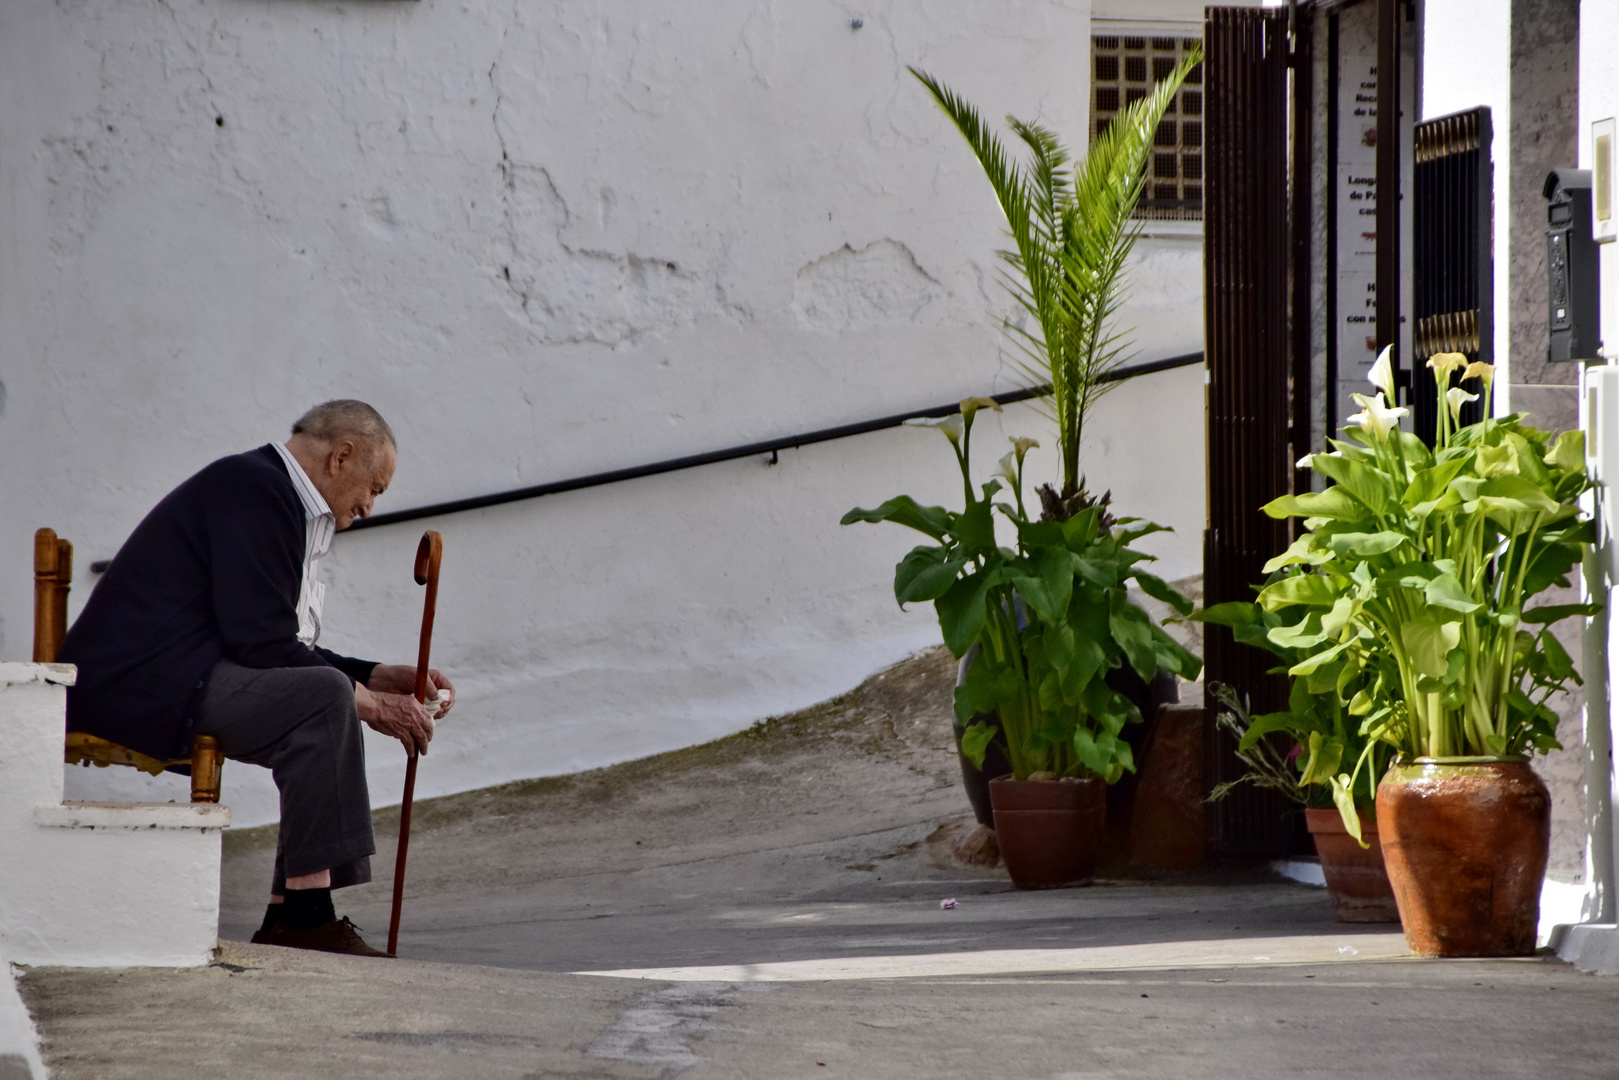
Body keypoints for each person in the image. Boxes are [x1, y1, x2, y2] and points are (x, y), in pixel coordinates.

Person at [59, 400, 453, 957]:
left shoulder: (267, 489)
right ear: (341, 456)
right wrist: (371, 703)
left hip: (178, 675)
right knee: (323, 698)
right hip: (140, 684)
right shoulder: (256, 488)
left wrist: (374, 676)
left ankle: (284, 915)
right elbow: (263, 643)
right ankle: (308, 918)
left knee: (325, 695)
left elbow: (275, 640)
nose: (369, 506)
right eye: (375, 488)